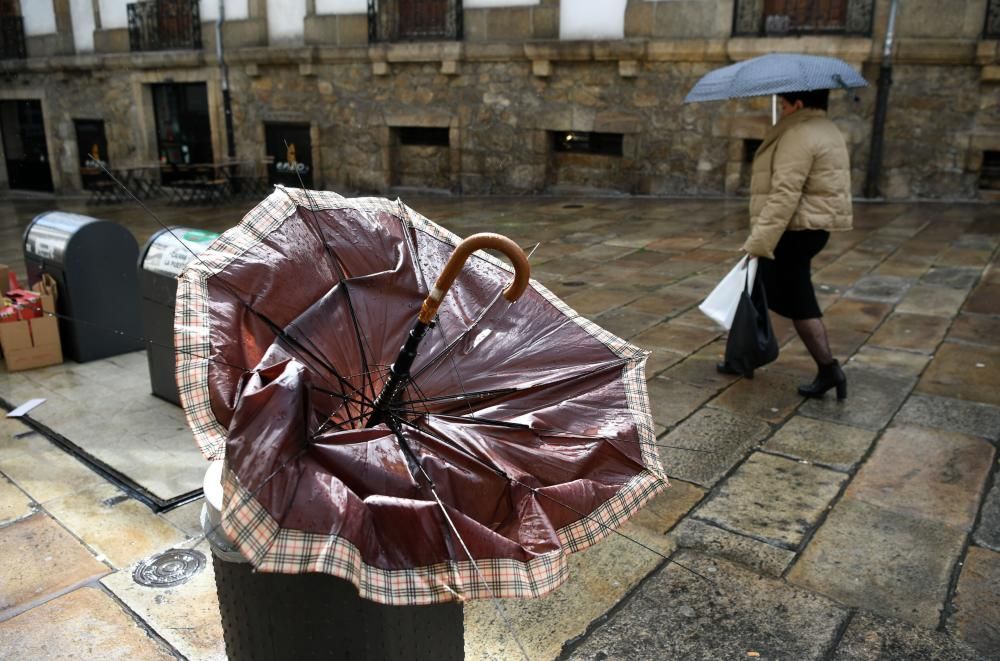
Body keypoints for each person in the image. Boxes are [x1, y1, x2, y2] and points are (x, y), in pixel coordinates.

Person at [717, 88, 852, 399]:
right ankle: (742, 357)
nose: (780, 108)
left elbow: (784, 195)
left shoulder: (799, 134)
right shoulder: (825, 129)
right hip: (811, 228)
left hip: (794, 231)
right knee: (758, 287)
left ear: (798, 104)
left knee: (799, 302)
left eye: (782, 103)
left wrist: (759, 241)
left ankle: (829, 368)